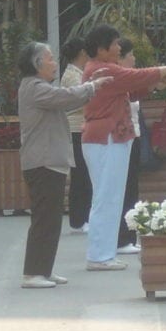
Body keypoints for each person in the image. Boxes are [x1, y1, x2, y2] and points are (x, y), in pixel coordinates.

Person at [81, 24, 166, 271]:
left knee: (110, 196)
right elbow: (136, 78)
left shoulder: (104, 70)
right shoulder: (101, 69)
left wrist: (164, 80)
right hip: (106, 138)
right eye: (114, 43)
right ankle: (99, 255)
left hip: (111, 137)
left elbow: (132, 91)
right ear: (102, 49)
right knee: (106, 197)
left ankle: (104, 253)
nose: (119, 47)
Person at [17, 41, 113, 288]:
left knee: (51, 220)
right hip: (43, 162)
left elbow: (69, 100)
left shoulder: (39, 87)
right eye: (49, 58)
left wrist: (91, 86)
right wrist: (92, 86)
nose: (54, 63)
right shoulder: (35, 87)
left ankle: (43, 270)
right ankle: (33, 273)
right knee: (44, 220)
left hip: (49, 160)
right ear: (37, 64)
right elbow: (66, 97)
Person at [115, 38, 148, 255]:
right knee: (124, 190)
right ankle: (122, 238)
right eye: (130, 55)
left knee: (131, 189)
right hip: (122, 139)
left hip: (133, 136)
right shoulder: (116, 79)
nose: (134, 59)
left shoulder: (128, 81)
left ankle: (128, 236)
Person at [60, 37, 92, 234]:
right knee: (81, 175)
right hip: (75, 129)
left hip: (81, 128)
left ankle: (81, 218)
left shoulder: (78, 73)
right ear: (82, 53)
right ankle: (78, 220)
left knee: (84, 175)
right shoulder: (72, 75)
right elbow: (82, 100)